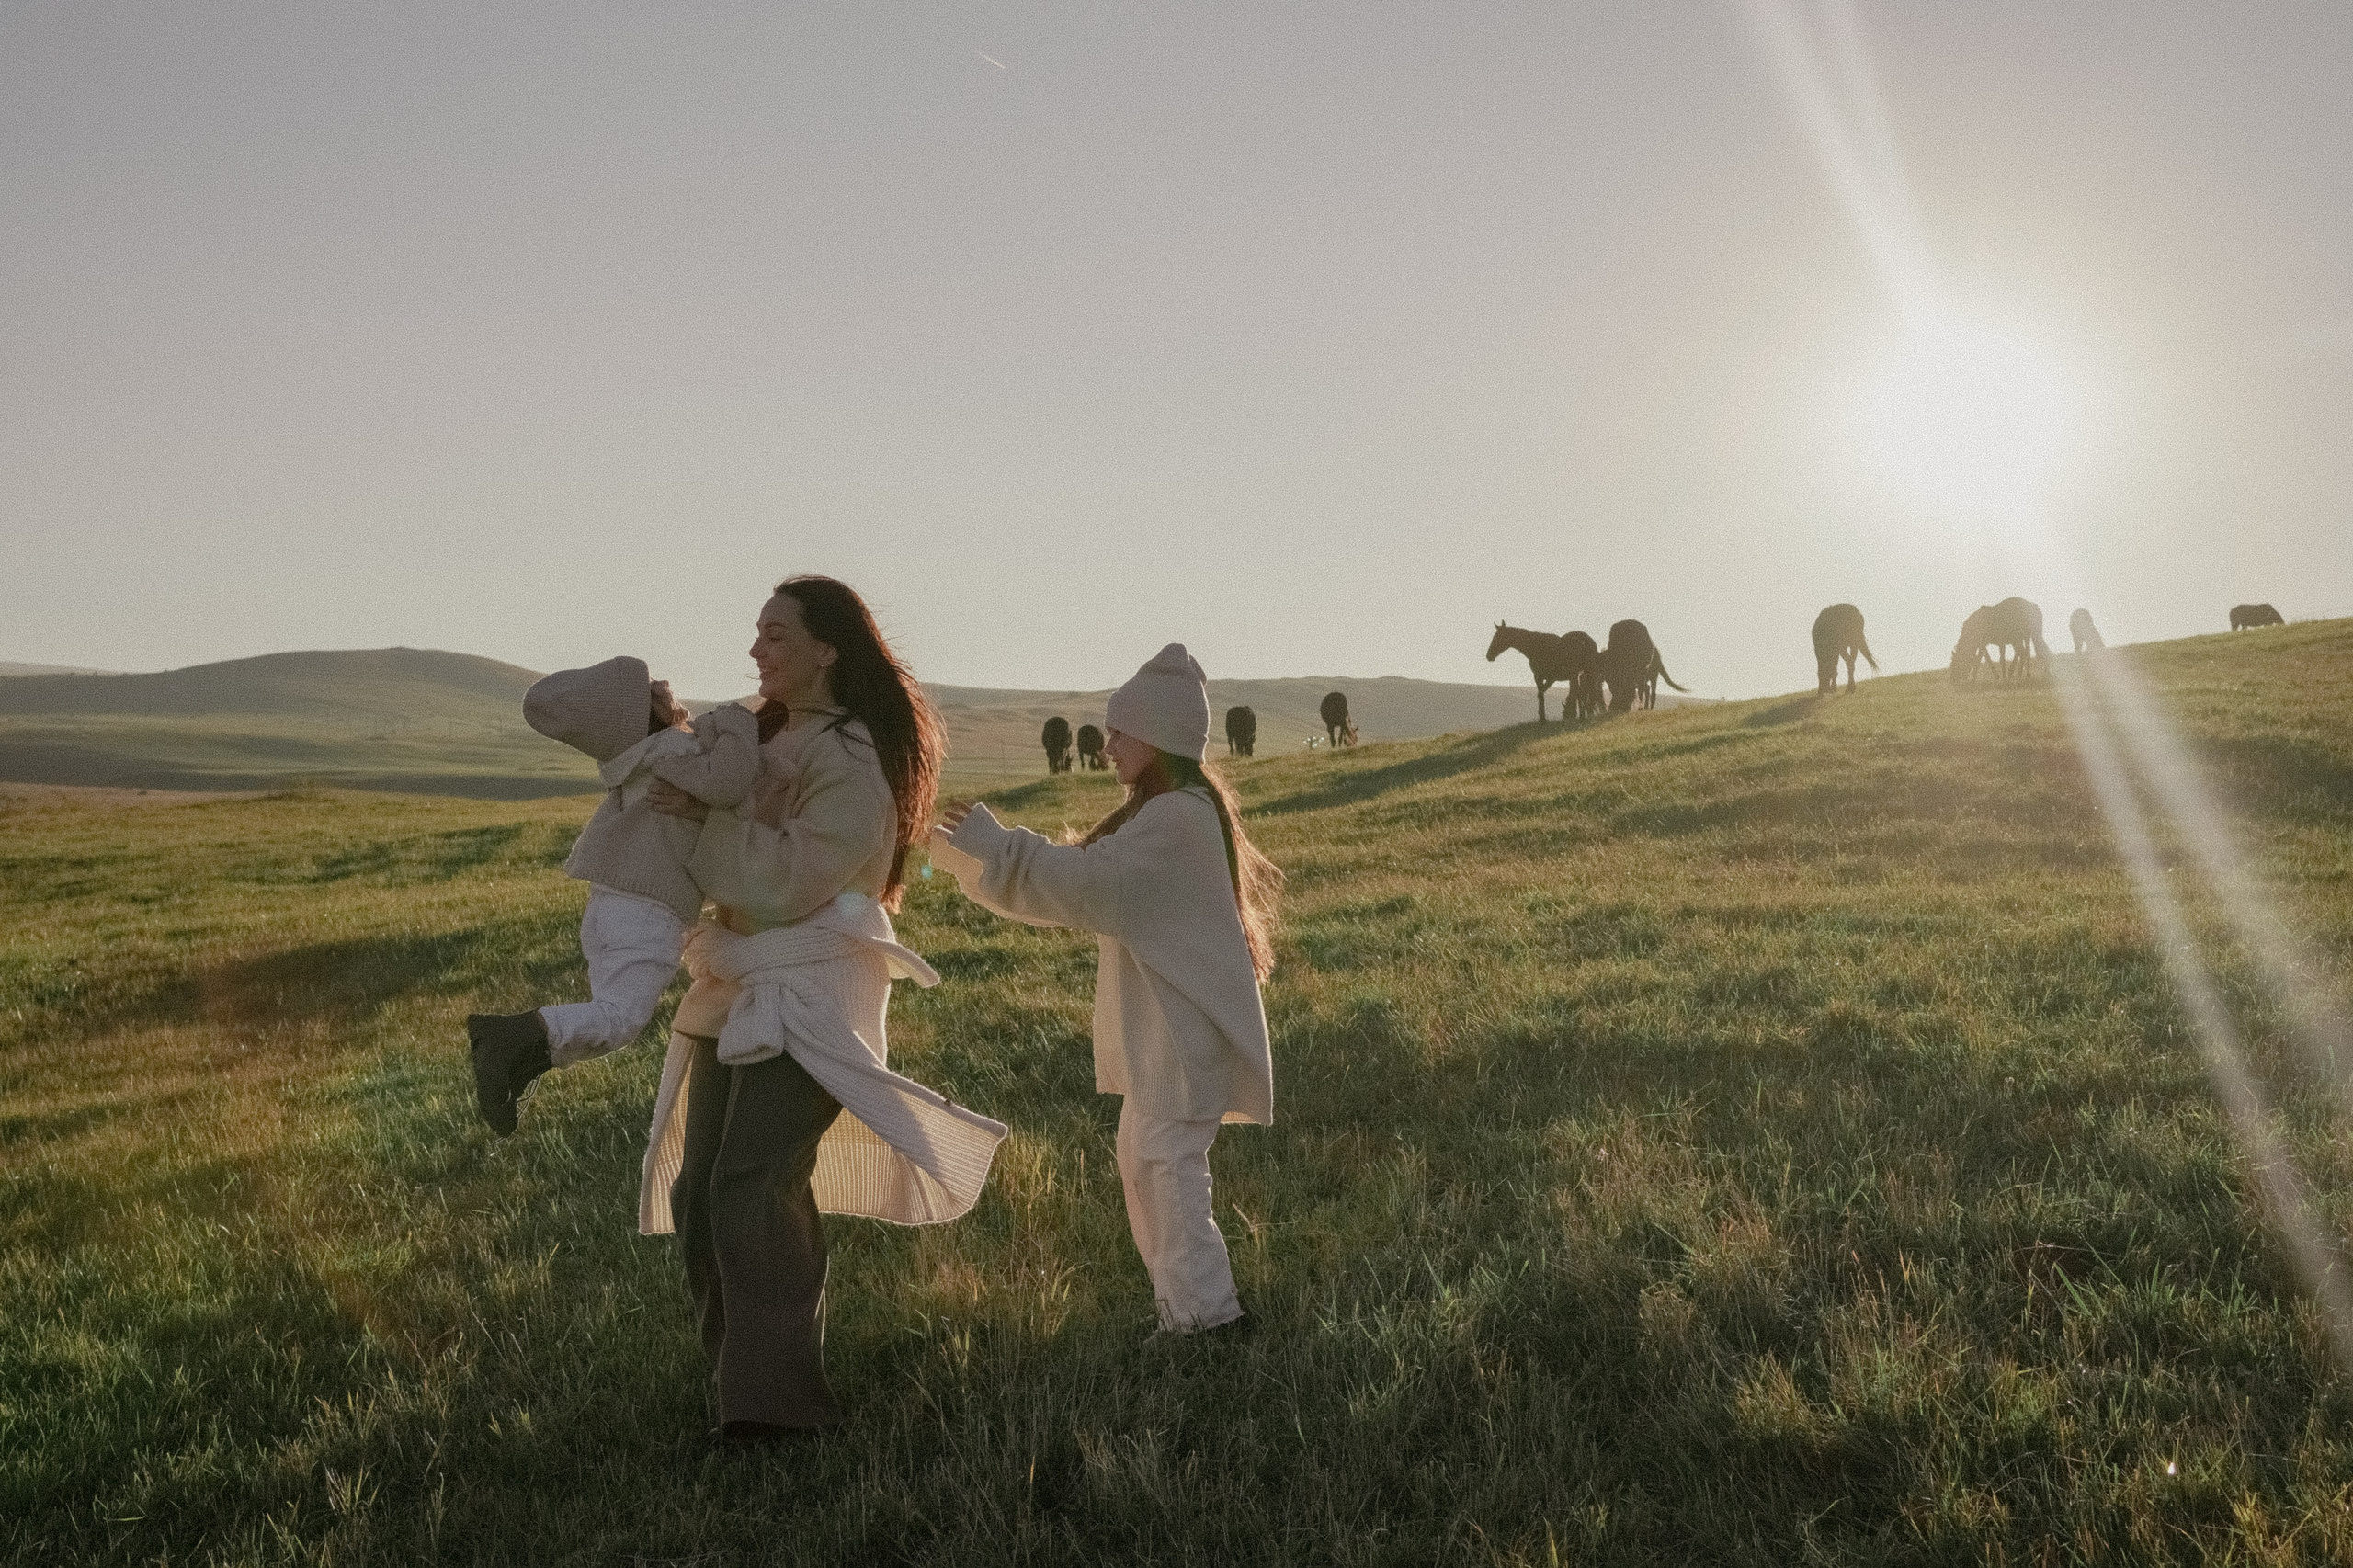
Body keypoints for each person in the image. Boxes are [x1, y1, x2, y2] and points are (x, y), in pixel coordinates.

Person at [645, 576, 1006, 1446]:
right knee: (702, 1193)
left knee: (752, 1188)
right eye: (757, 634)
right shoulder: (761, 729)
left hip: (811, 988)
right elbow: (715, 780)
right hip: (740, 987)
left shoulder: (849, 760)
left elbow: (786, 883)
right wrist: (666, 737)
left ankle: (778, 1413)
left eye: (776, 634)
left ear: (828, 650)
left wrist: (700, 819)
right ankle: (738, 1385)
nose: (757, 650)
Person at [929, 643, 1279, 1335]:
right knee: (1148, 1169)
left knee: (1169, 1176)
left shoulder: (1177, 818)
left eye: (1121, 732)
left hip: (1180, 1043)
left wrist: (998, 848)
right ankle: (1186, 1313)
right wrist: (988, 852)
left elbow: (1089, 886)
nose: (1107, 745)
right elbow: (1084, 878)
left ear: (1160, 736)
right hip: (1170, 1042)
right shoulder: (1168, 812)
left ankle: (1210, 1323)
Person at [465, 660, 759, 1135]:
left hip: (610, 907)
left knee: (611, 1014)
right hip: (647, 909)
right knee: (619, 1019)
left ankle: (522, 1062)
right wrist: (740, 722)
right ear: (643, 714)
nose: (664, 683)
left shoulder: (634, 757)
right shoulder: (672, 751)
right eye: (649, 688)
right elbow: (730, 783)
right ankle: (510, 1039)